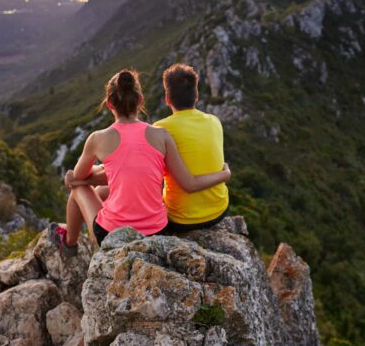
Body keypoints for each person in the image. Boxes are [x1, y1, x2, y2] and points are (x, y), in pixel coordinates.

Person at [50, 68, 230, 254]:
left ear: (110, 104)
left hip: (114, 236)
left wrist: (74, 178)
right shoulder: (161, 135)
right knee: (104, 190)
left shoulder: (97, 138)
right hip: (158, 231)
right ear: (140, 100)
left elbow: (80, 177)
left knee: (78, 189)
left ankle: (69, 243)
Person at [154, 63, 229, 232]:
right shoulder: (214, 121)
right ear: (196, 95)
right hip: (220, 210)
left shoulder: (159, 129)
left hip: (181, 219)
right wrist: (225, 174)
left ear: (167, 99)